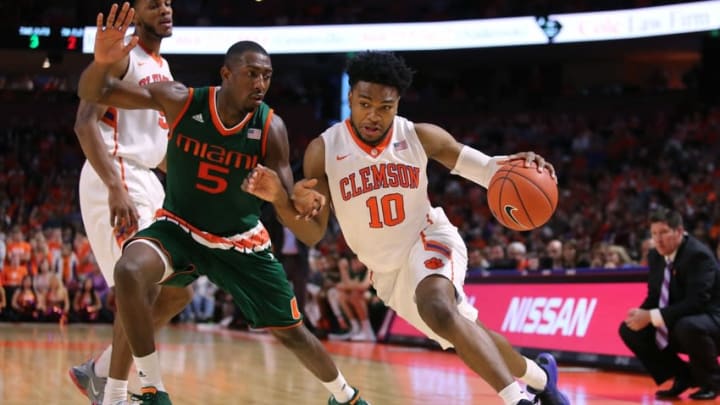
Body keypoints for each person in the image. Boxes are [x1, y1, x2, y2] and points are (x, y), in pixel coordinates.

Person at [77, 4, 369, 405]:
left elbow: (307, 232)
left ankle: (346, 396)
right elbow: (95, 93)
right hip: (180, 228)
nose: (261, 83)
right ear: (226, 75)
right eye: (252, 74)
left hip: (237, 240)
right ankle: (143, 390)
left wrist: (288, 198)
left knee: (290, 330)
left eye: (267, 75)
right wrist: (101, 63)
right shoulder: (183, 101)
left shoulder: (271, 128)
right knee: (132, 271)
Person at [243, 50, 570, 405]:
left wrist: (524, 167)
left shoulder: (419, 136)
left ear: (397, 103)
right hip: (386, 274)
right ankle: (541, 378)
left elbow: (490, 170)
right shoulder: (324, 150)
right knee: (465, 331)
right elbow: (312, 233)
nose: (374, 115)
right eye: (365, 103)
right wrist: (282, 202)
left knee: (438, 308)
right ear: (350, 96)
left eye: (385, 107)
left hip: (428, 238)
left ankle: (518, 400)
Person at [69, 1, 194, 404]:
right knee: (139, 285)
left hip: (146, 177)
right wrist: (115, 188)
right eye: (154, 4)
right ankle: (116, 394)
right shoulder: (122, 57)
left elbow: (159, 151)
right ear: (134, 13)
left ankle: (101, 372)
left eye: (169, 2)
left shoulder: (164, 66)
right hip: (117, 170)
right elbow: (85, 123)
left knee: (178, 290)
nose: (165, 9)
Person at [620, 208, 720, 400]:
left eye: (664, 232)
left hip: (712, 320)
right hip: (684, 320)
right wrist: (641, 314)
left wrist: (650, 317)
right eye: (654, 234)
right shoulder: (655, 256)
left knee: (687, 326)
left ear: (679, 231)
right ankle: (683, 376)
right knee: (630, 330)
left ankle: (712, 382)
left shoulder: (698, 256)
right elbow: (655, 295)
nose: (658, 239)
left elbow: (696, 303)